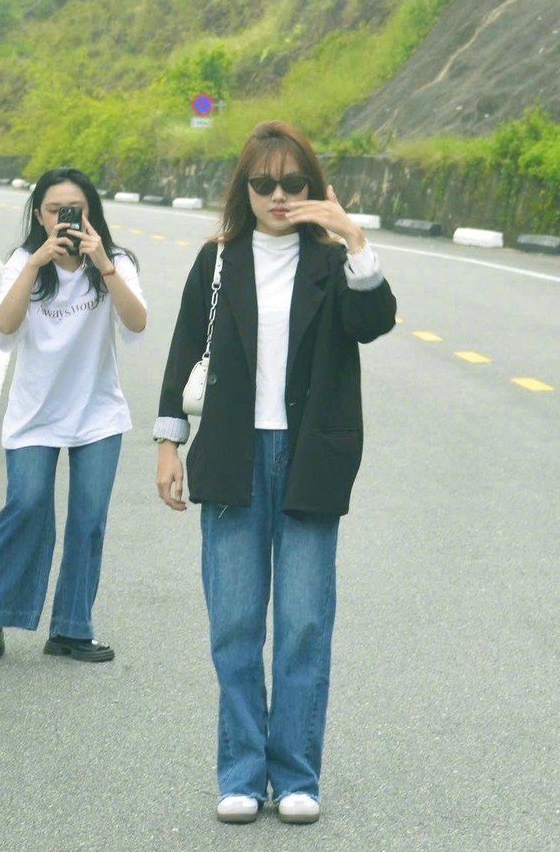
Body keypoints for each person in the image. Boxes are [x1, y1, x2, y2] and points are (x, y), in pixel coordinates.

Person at [152, 120, 397, 827]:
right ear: (245, 187)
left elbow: (373, 321)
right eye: (265, 182)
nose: (279, 195)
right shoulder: (220, 260)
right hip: (232, 455)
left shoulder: (329, 260)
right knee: (233, 622)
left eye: (294, 182)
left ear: (313, 186)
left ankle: (294, 774)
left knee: (302, 623)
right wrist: (170, 443)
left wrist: (353, 238)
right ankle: (240, 770)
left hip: (309, 456)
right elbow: (181, 352)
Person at [0, 167, 147, 666]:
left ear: (92, 213)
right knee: (25, 507)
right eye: (54, 210)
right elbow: (5, 325)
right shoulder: (24, 261)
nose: (65, 219)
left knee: (88, 521)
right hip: (35, 415)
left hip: (97, 415)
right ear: (39, 215)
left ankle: (71, 628)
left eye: (76, 210)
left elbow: (137, 322)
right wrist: (36, 263)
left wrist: (104, 265)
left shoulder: (115, 262)